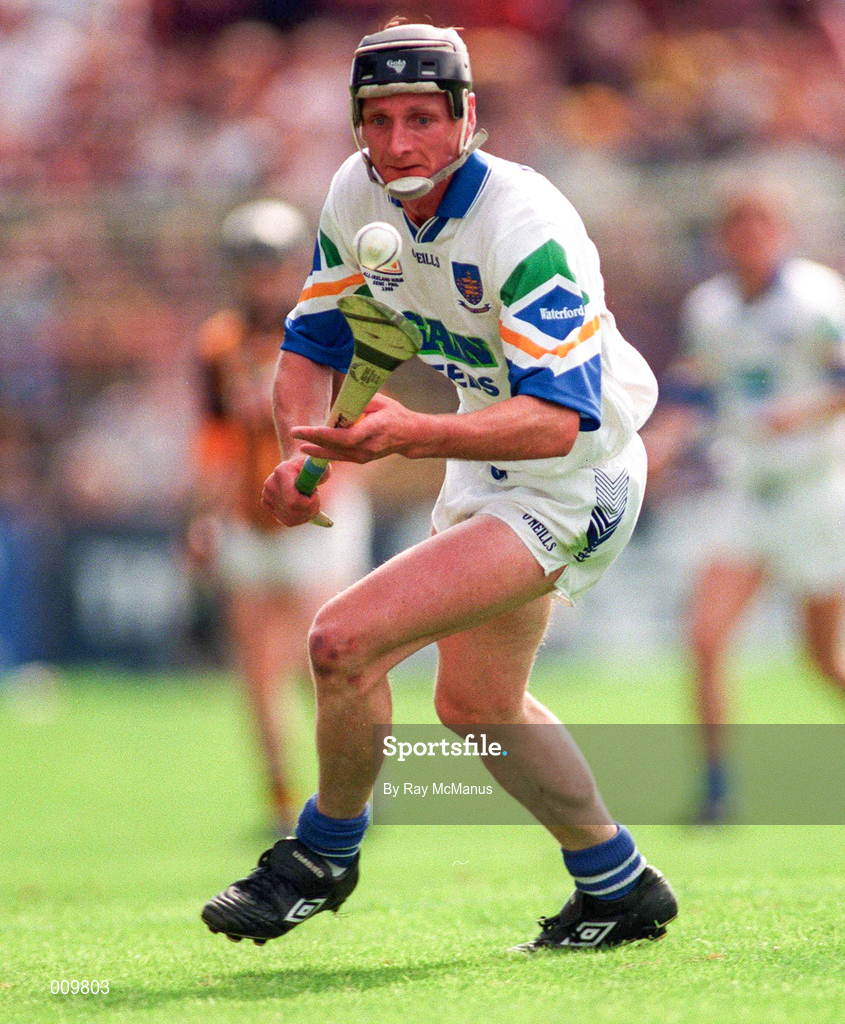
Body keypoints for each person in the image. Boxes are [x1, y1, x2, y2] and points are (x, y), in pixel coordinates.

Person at [201, 21, 677, 951]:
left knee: (342, 641)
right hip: (486, 458)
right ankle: (618, 887)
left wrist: (412, 435)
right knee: (474, 705)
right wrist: (296, 452)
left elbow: (561, 415)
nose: (397, 144)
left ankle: (322, 854)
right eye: (377, 121)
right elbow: (314, 341)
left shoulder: (523, 224)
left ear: (468, 118)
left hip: (575, 474)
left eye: (422, 118)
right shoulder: (356, 190)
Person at [645, 181, 845, 822]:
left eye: (762, 224)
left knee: (821, 658)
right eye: (739, 227)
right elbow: (696, 388)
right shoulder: (711, 307)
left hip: (815, 491)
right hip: (746, 492)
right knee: (703, 637)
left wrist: (807, 412)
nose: (751, 238)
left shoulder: (818, 300)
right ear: (724, 239)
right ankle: (716, 790)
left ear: (780, 232)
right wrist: (659, 447)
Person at [190, 199, 372, 834]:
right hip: (247, 510)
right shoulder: (220, 342)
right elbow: (213, 436)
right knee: (257, 666)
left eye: (269, 261)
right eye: (248, 262)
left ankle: (347, 791)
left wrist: (330, 488)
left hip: (321, 506)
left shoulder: (326, 330)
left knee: (327, 652)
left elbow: (357, 417)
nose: (259, 275)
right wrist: (204, 515)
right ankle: (278, 794)